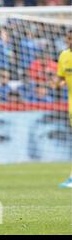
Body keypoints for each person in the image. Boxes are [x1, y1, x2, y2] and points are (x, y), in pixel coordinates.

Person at [52, 29, 72, 189]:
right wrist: (57, 84)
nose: (69, 41)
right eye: (68, 39)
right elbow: (61, 78)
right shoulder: (64, 56)